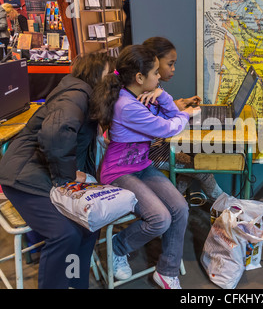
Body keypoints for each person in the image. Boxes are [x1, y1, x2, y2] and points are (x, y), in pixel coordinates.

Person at [0, 52, 115, 288]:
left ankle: (74, 282)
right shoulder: (76, 94)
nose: (111, 81)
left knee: (87, 223)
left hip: (42, 170)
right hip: (22, 175)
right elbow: (56, 133)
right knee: (66, 233)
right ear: (95, 75)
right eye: (107, 75)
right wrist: (68, 175)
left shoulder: (85, 95)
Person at [90, 44, 199, 289]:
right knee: (159, 218)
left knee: (180, 208)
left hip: (141, 166)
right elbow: (168, 127)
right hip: (118, 172)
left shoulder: (139, 96)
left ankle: (167, 271)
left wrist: (162, 94)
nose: (160, 76)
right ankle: (117, 247)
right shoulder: (127, 106)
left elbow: (170, 115)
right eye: (155, 74)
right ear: (140, 78)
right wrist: (189, 113)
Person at [142, 36, 224, 202]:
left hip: (160, 147)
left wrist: (183, 104)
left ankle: (176, 199)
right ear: (155, 62)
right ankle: (223, 204)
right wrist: (184, 114)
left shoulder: (153, 86)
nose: (173, 69)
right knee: (201, 168)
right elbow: (157, 122)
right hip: (152, 154)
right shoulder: (145, 92)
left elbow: (162, 110)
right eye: (170, 64)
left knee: (195, 160)